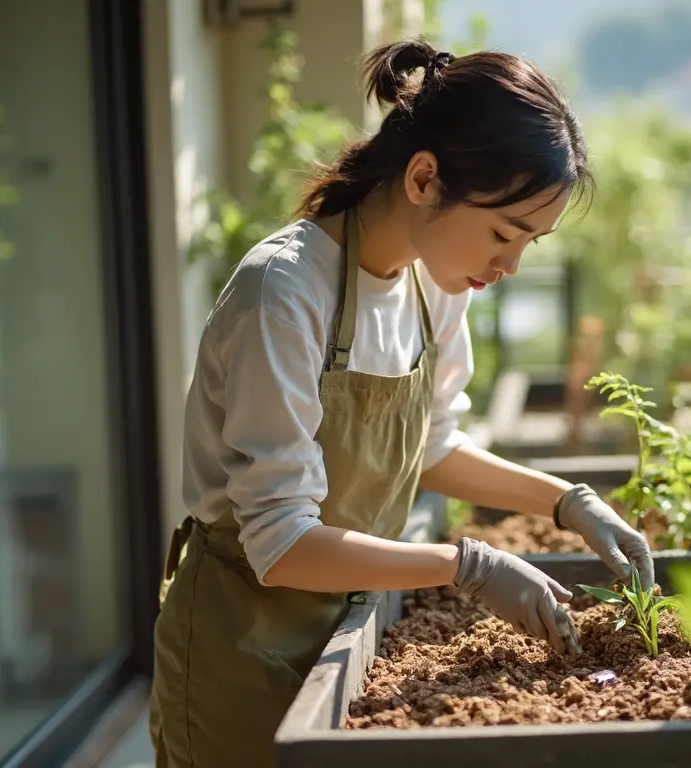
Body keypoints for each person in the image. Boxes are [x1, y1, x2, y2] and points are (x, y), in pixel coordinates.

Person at [149, 37, 655, 767]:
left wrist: (568, 502)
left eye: (530, 245)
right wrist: (467, 565)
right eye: (504, 232)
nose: (509, 265)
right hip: (243, 648)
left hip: (351, 635)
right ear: (424, 179)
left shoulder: (430, 284)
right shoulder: (283, 295)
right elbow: (283, 543)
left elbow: (432, 446)